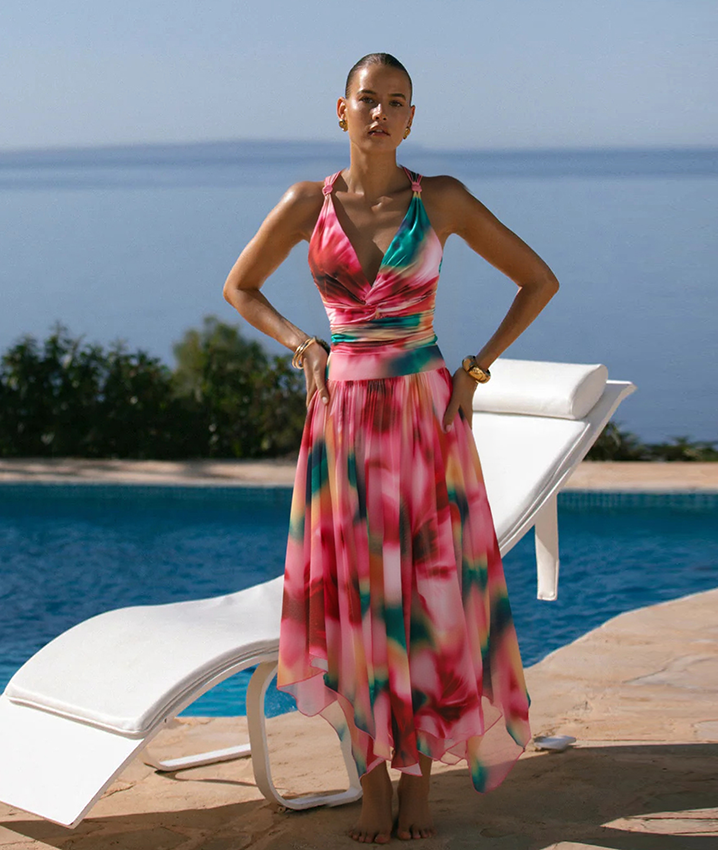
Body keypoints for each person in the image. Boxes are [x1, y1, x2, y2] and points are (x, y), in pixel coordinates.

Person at [224, 53, 559, 844]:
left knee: (429, 603)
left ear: (411, 119)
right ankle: (372, 780)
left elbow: (537, 281)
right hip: (342, 424)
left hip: (424, 421)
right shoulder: (305, 203)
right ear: (340, 110)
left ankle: (420, 782)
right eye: (368, 99)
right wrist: (303, 344)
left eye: (396, 102)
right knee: (356, 602)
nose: (381, 113)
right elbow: (240, 288)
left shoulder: (441, 199)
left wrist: (475, 369)